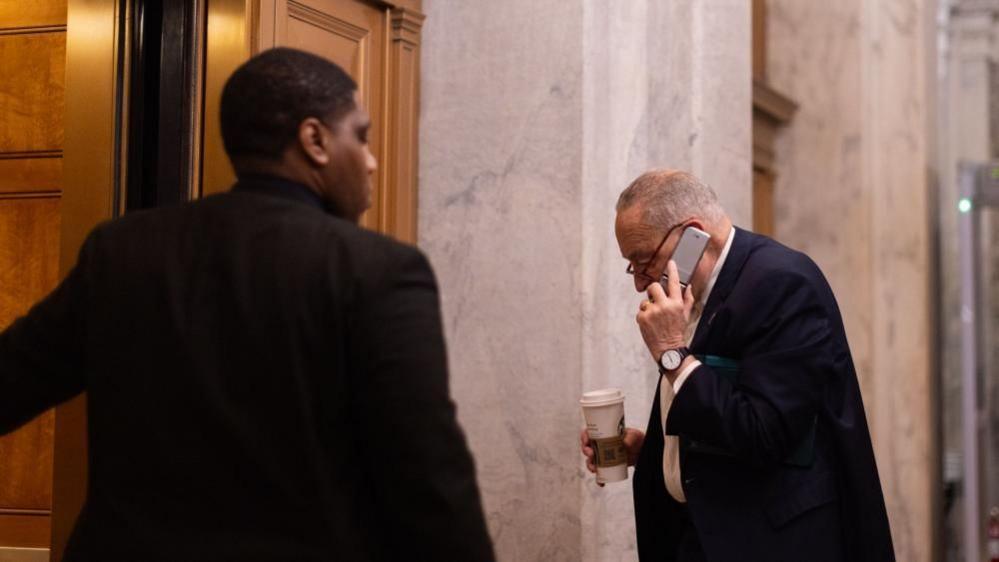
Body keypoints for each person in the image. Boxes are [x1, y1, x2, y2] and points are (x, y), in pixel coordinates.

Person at [0, 48, 494, 561]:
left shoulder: (122, 251)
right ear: (315, 140)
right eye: (362, 136)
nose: (370, 161)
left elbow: (11, 380)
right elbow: (429, 480)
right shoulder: (376, 270)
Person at [581, 170, 894, 561]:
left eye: (644, 262)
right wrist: (653, 452)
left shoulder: (782, 283)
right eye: (633, 267)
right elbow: (715, 413)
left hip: (770, 542)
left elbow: (765, 433)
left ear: (692, 236)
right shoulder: (692, 291)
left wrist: (672, 353)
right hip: (700, 536)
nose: (640, 284)